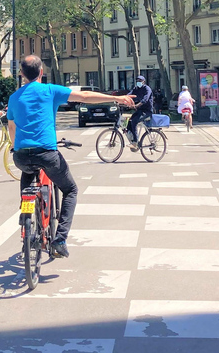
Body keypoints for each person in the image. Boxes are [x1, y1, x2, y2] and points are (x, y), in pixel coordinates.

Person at [7, 55, 134, 258]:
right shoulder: (50, 91)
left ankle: (26, 227)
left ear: (21, 74)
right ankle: (60, 239)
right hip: (47, 154)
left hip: (22, 155)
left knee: (27, 176)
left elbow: (11, 127)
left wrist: (16, 148)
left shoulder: (14, 98)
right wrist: (117, 98)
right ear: (42, 72)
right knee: (71, 189)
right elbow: (83, 96)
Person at [126, 75, 154, 151]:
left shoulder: (147, 89)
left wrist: (137, 105)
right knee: (129, 122)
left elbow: (145, 99)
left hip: (147, 111)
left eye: (140, 81)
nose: (138, 82)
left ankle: (135, 142)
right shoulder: (136, 89)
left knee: (134, 122)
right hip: (140, 110)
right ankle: (133, 140)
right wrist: (123, 99)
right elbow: (130, 94)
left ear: (143, 82)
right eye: (137, 81)